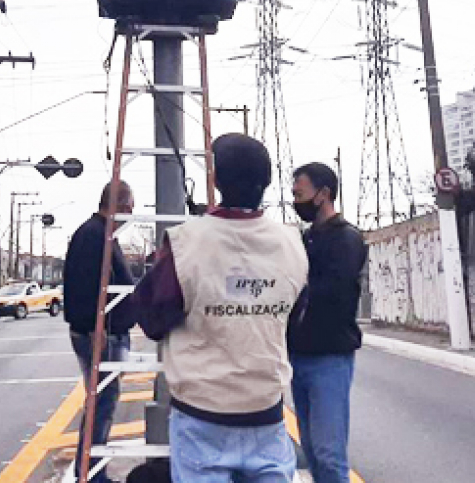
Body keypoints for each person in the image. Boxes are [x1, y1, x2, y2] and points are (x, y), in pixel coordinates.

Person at [135, 134, 308, 483]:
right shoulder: (294, 242)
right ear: (268, 182)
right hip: (267, 413)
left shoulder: (186, 241)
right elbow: (295, 317)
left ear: (216, 180)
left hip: (201, 418)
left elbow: (152, 319)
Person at [287, 163, 368, 483]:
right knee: (311, 450)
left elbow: (335, 295)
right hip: (300, 356)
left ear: (324, 194)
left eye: (300, 194)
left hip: (329, 358)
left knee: (329, 456)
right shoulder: (305, 238)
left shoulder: (346, 239)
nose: (296, 201)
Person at [64, 181, 137, 483]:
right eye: (129, 208)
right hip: (101, 335)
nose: (131, 214)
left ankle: (92, 471)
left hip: (105, 332)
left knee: (101, 403)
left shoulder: (100, 234)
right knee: (101, 404)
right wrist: (94, 329)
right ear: (118, 205)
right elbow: (83, 288)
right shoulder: (95, 236)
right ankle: (92, 474)